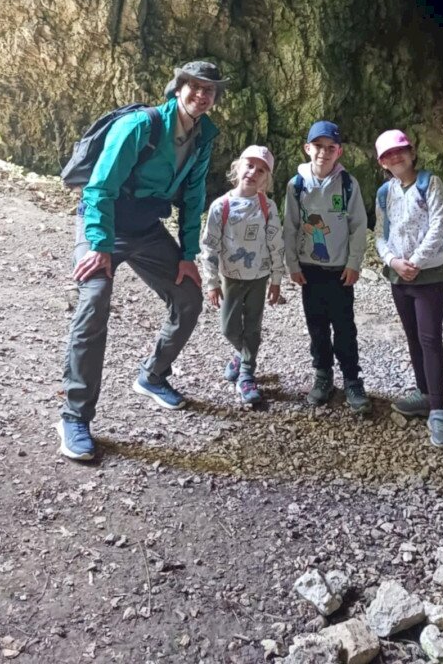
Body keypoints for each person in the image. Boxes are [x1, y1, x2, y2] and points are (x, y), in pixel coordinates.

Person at [57, 61, 228, 461]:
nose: (202, 95)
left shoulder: (203, 136)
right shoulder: (140, 126)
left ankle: (152, 375)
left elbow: (193, 197)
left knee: (188, 297)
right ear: (178, 87)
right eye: (195, 86)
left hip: (147, 228)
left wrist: (186, 255)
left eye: (210, 90)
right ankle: (75, 417)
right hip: (104, 225)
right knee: (94, 301)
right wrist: (99, 244)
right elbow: (99, 187)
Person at [283, 121, 371, 414]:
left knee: (345, 326)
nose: (324, 152)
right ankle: (323, 375)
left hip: (339, 270)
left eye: (330, 147)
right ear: (307, 148)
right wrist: (292, 264)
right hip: (310, 269)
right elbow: (290, 226)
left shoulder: (348, 184)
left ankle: (352, 379)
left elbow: (358, 226)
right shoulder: (296, 185)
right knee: (317, 326)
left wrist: (354, 263)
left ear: (339, 151)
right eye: (318, 146)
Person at [373, 128, 443, 449]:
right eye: (388, 155)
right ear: (382, 163)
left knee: (430, 339)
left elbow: (440, 226)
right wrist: (393, 261)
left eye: (400, 151)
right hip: (398, 275)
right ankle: (424, 393)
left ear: (412, 152)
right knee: (413, 337)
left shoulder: (430, 183)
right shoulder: (385, 192)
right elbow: (380, 233)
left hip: (428, 274)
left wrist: (415, 262)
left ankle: (439, 410)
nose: (396, 157)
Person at [200, 145, 284, 408]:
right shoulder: (221, 206)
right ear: (237, 167)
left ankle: (247, 373)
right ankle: (242, 354)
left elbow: (276, 244)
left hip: (259, 277)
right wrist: (211, 282)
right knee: (229, 328)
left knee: (253, 327)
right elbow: (210, 246)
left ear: (266, 179)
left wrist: (276, 280)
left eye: (261, 171)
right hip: (231, 277)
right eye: (249, 166)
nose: (253, 173)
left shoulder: (267, 207)